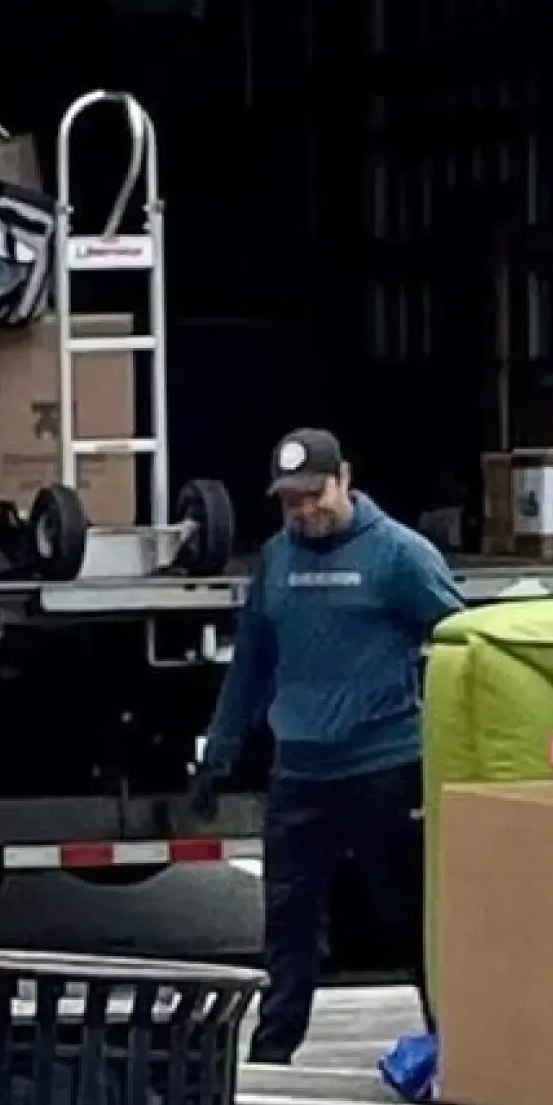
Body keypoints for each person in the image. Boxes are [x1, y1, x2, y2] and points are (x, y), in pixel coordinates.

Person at [188, 430, 465, 1064]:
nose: (305, 510)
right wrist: (218, 754)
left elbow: (458, 641)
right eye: (292, 501)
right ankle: (272, 1056)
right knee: (288, 922)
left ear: (344, 479)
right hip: (300, 771)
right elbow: (251, 664)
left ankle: (455, 1048)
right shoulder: (277, 559)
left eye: (315, 494)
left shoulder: (399, 555)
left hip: (384, 766)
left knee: (409, 920)